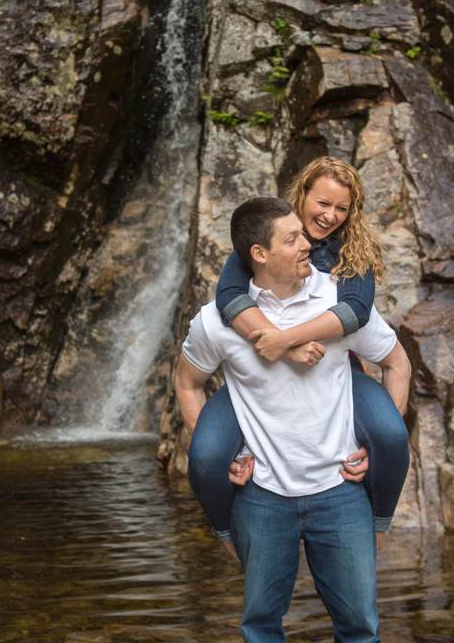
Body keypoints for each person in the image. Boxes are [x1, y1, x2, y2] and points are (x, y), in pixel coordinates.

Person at [174, 197, 405, 642]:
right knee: (261, 628)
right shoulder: (216, 321)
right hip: (262, 498)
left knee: (360, 628)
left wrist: (374, 445)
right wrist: (226, 452)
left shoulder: (339, 302)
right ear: (259, 255)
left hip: (341, 492)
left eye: (303, 233)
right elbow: (187, 382)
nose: (310, 245)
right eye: (293, 238)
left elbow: (397, 362)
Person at [188, 157, 411, 555]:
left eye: (341, 209)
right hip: (260, 370)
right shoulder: (265, 235)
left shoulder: (352, 252)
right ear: (302, 193)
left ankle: (377, 522)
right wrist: (284, 346)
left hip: (334, 368)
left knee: (392, 435)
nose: (330, 216)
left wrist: (286, 340)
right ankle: (225, 532)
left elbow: (356, 314)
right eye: (322, 203)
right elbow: (229, 299)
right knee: (204, 457)